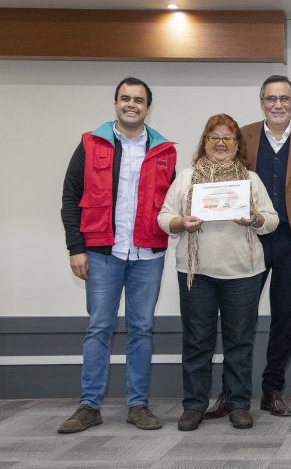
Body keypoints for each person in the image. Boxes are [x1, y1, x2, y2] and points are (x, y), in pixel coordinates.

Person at [59, 77, 176, 433]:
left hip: (147, 254)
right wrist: (75, 248)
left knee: (142, 329)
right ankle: (89, 406)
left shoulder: (164, 150)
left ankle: (137, 405)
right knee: (98, 328)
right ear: (115, 104)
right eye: (125, 98)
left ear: (147, 107)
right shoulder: (91, 143)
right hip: (101, 253)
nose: (131, 104)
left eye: (138, 100)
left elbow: (172, 202)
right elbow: (70, 197)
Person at [205, 75, 291, 420]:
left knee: (283, 319)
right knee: (238, 318)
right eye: (271, 98)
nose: (278, 104)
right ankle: (231, 392)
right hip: (247, 239)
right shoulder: (242, 135)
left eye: (284, 98)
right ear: (262, 103)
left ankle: (272, 389)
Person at [158, 114, 278, 431]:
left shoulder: (250, 180)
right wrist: (181, 223)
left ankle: (238, 404)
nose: (221, 143)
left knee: (240, 343)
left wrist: (254, 218)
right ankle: (194, 406)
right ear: (205, 142)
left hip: (243, 274)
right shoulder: (186, 178)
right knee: (198, 342)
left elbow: (272, 219)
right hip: (197, 274)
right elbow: (164, 217)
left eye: (228, 138)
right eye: (214, 137)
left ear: (238, 145)